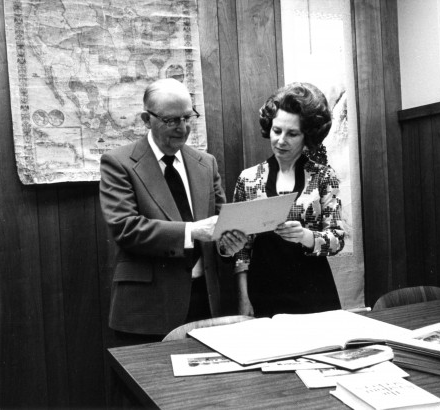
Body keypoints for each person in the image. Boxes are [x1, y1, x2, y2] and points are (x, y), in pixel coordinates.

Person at [99, 78, 246, 344]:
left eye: (188, 117)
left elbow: (222, 224)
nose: (183, 128)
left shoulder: (206, 163)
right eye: (171, 121)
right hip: (148, 309)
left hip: (205, 301)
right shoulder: (118, 163)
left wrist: (229, 244)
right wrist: (194, 231)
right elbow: (125, 227)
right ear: (146, 119)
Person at [233, 82, 346, 318]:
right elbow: (242, 249)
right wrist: (243, 297)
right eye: (276, 131)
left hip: (313, 291)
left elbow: (337, 240)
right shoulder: (249, 179)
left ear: (308, 136)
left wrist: (305, 236)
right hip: (263, 291)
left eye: (292, 133)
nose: (281, 140)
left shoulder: (325, 177)